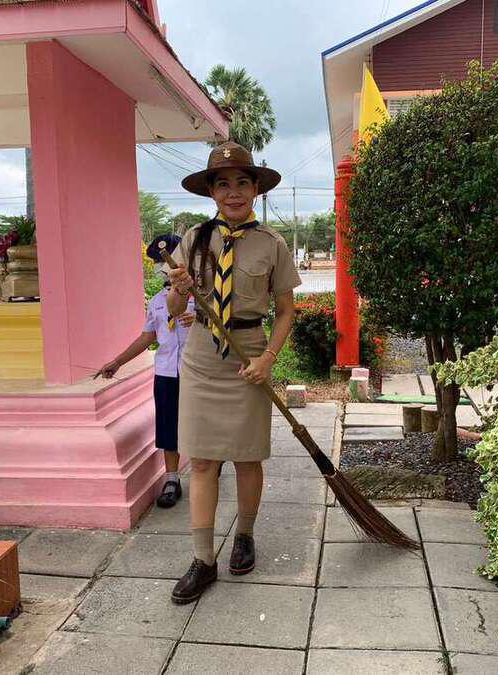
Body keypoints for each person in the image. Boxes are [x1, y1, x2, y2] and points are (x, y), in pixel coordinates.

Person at [166, 142, 301, 603]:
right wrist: (180, 289)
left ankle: (244, 535)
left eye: (243, 182)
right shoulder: (194, 239)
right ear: (212, 193)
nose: (234, 192)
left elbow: (286, 310)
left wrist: (268, 359)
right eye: (223, 184)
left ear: (256, 189)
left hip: (249, 354)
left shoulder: (272, 243)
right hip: (203, 356)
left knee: (247, 457)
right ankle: (203, 559)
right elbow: (175, 307)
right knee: (203, 460)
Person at [96, 234, 195, 508]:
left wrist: (201, 320)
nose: (161, 266)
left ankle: (209, 468)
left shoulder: (201, 295)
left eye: (164, 259)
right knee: (167, 425)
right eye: (156, 261)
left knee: (201, 422)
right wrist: (117, 362)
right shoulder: (158, 301)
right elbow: (147, 336)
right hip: (166, 372)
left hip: (196, 371)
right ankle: (172, 479)